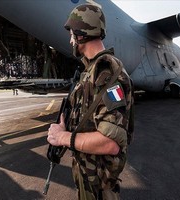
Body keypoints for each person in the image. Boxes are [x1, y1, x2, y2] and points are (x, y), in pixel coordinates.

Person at [47, 3, 134, 200]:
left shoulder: (107, 72)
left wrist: (62, 137)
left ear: (81, 34)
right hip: (89, 181)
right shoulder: (90, 72)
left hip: (100, 189)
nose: (70, 40)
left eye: (72, 34)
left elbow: (110, 142)